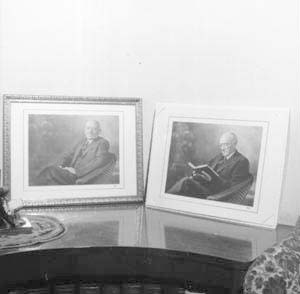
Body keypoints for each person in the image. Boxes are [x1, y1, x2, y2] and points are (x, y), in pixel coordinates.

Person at [167, 132, 251, 198]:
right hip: (205, 186)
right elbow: (206, 168)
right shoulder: (219, 157)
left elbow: (234, 188)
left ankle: (166, 199)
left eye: (226, 144)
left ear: (235, 143)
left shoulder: (242, 161)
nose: (223, 148)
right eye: (221, 145)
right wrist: (198, 174)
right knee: (182, 180)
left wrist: (212, 180)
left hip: (217, 194)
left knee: (186, 182)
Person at [34, 120, 116, 185]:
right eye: (88, 128)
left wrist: (76, 171)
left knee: (49, 171)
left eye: (94, 129)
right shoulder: (82, 141)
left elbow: (98, 162)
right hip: (69, 171)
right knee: (49, 171)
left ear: (99, 131)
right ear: (85, 130)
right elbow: (69, 155)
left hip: (80, 176)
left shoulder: (102, 143)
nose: (90, 131)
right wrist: (62, 165)